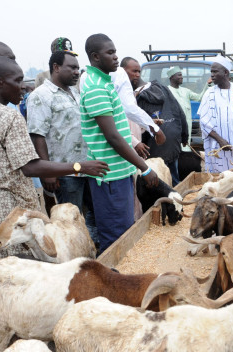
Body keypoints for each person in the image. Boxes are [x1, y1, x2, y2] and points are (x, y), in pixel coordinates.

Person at [0, 55, 108, 257]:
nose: (22, 86)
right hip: (18, 212)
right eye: (17, 80)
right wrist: (79, 167)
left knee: (11, 263)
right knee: (32, 264)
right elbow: (30, 167)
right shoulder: (9, 116)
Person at [79, 34, 159, 254]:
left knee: (124, 231)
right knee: (116, 237)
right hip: (110, 176)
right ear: (95, 57)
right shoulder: (96, 88)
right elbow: (113, 137)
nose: (116, 57)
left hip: (118, 172)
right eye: (110, 53)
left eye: (115, 52)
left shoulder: (104, 83)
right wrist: (145, 168)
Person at [27, 49, 88, 215]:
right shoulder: (41, 96)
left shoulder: (74, 92)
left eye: (78, 68)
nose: (77, 72)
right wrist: (48, 172)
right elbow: (37, 135)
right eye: (72, 68)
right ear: (56, 67)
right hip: (64, 173)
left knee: (89, 220)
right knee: (68, 220)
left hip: (86, 168)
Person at [137, 76, 189, 185]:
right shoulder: (164, 89)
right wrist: (184, 136)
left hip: (153, 147)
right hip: (172, 140)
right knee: (174, 179)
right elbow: (180, 113)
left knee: (158, 181)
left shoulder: (136, 98)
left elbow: (138, 126)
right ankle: (175, 197)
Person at [117, 57, 165, 159]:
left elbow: (132, 124)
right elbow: (116, 126)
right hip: (124, 150)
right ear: (122, 71)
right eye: (134, 71)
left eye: (139, 72)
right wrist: (135, 143)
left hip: (133, 151)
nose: (138, 75)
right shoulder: (116, 95)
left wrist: (150, 123)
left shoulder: (130, 94)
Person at [166, 66, 206, 151]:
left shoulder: (186, 91)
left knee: (185, 150)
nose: (182, 77)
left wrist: (207, 85)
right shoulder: (167, 91)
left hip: (187, 127)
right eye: (179, 75)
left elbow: (199, 97)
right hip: (174, 126)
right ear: (172, 77)